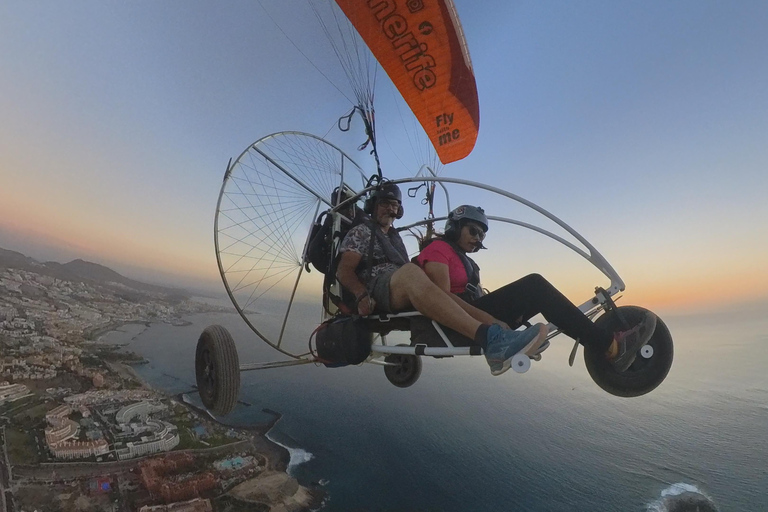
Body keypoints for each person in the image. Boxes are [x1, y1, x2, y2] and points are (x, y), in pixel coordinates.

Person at [336, 182, 548, 376]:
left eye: (394, 205)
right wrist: (360, 294)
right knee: (411, 272)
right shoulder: (361, 232)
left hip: (400, 286)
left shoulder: (394, 237)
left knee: (437, 287)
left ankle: (503, 334)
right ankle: (490, 340)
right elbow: (344, 272)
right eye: (384, 204)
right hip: (377, 287)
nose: (390, 209)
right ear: (373, 205)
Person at [416, 205, 657, 371]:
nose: (478, 238)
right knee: (534, 286)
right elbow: (441, 299)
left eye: (482, 235)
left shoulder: (465, 260)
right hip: (455, 325)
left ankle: (606, 345)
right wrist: (490, 319)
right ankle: (610, 347)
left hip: (472, 315)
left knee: (537, 294)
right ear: (455, 227)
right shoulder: (438, 250)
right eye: (473, 231)